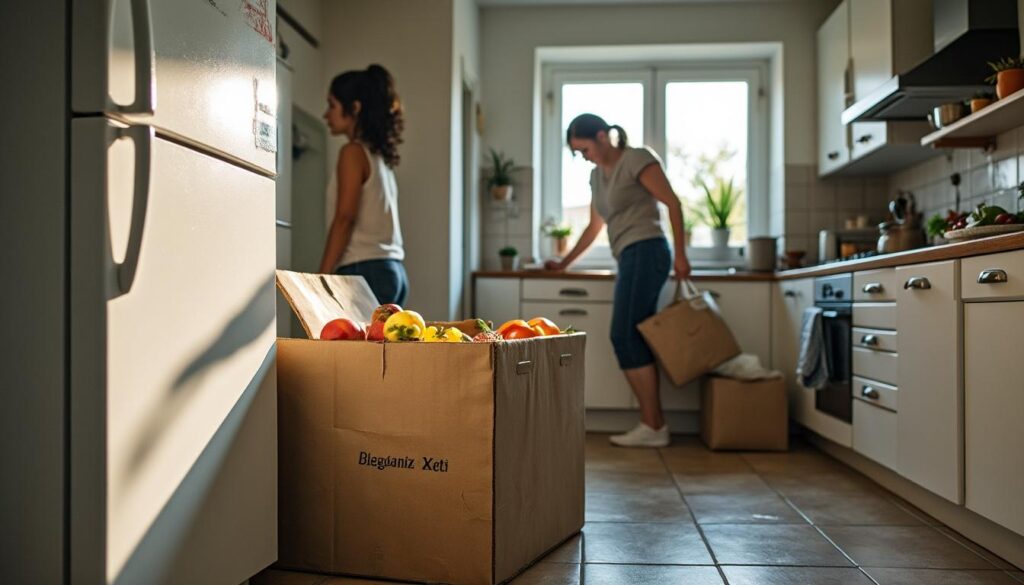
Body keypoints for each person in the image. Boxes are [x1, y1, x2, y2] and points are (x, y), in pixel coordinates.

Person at [545, 113, 691, 448]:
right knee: (628, 335)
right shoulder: (596, 176)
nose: (584, 157)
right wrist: (564, 264)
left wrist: (682, 255)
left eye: (584, 150)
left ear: (602, 136)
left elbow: (673, 203)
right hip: (628, 256)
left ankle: (653, 425)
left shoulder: (636, 159)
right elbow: (594, 227)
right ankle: (653, 424)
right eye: (578, 153)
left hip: (648, 249)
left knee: (624, 334)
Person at [319, 64, 408, 305]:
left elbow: (345, 218)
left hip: (365, 271)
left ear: (355, 108)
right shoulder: (380, 158)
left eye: (332, 105)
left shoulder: (352, 152)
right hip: (393, 271)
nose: (326, 115)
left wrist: (322, 277)